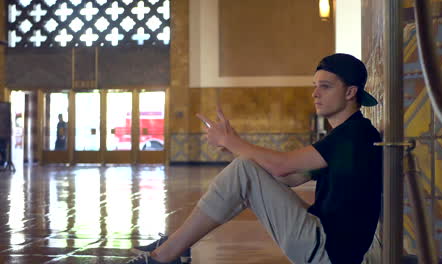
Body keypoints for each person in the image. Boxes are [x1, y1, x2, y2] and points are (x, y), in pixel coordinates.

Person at [125, 53, 383, 264]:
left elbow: (283, 166)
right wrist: (234, 150)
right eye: (314, 86)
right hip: (328, 243)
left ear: (350, 92)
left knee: (245, 168)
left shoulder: (355, 134)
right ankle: (175, 247)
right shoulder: (348, 134)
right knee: (245, 168)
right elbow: (293, 178)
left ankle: (164, 256)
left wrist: (233, 142)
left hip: (330, 251)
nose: (315, 93)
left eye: (325, 87)